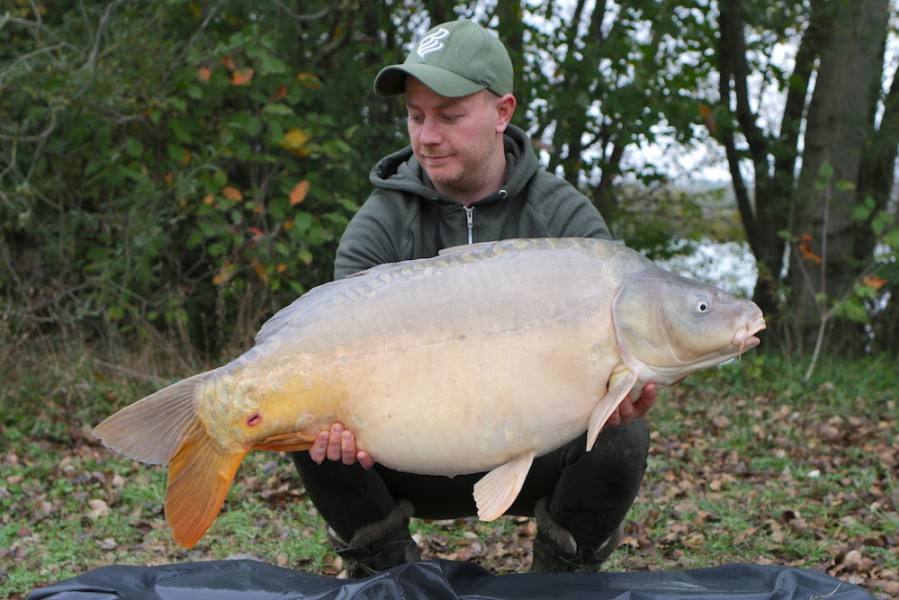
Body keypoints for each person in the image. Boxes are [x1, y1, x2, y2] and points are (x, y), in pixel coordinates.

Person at [291, 19, 656, 578]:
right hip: (406, 453)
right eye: (416, 116)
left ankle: (563, 577)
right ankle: (383, 573)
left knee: (624, 433)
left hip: (535, 451)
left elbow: (614, 350)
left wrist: (614, 396)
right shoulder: (380, 226)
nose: (427, 137)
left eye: (449, 116)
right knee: (306, 421)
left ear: (502, 112)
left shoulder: (564, 221)